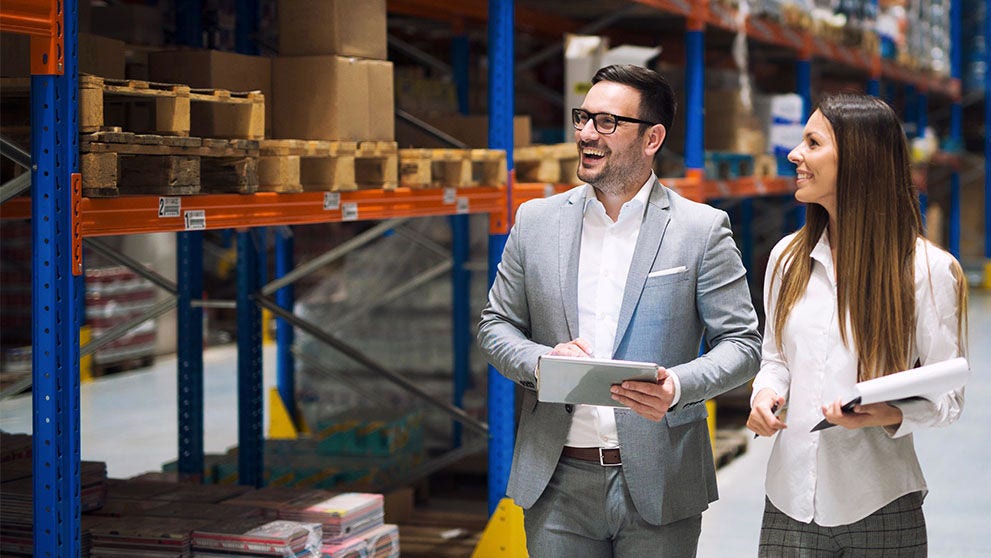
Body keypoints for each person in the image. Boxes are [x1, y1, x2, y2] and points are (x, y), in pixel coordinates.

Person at [477, 63, 761, 557]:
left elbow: (741, 344)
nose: (587, 133)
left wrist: (678, 388)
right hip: (556, 480)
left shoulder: (701, 230)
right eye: (583, 118)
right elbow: (495, 325)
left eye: (607, 122)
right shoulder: (537, 221)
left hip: (660, 480)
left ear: (652, 138)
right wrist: (541, 363)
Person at [747, 93, 969, 557]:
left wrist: (889, 414)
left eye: (813, 143)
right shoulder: (788, 259)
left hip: (880, 504)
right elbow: (775, 359)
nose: (794, 155)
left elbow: (948, 396)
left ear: (858, 158)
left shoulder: (927, 271)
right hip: (787, 503)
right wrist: (765, 394)